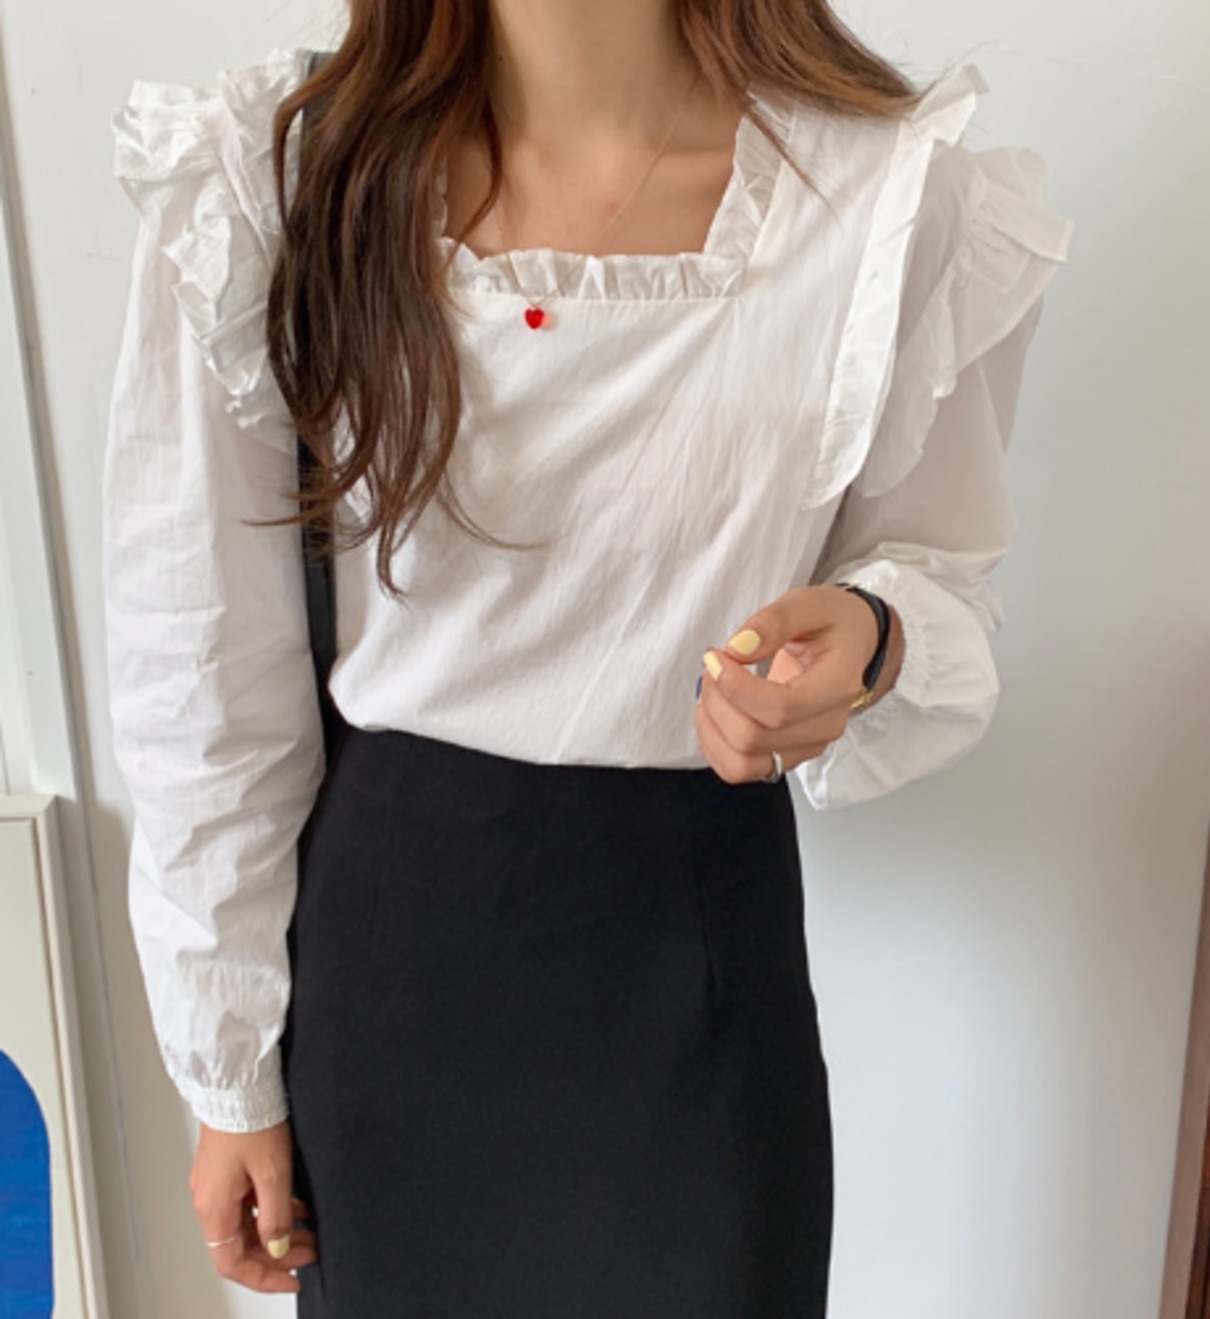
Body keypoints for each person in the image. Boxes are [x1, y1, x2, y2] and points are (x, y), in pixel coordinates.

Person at [103, 2, 1073, 1314]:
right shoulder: (276, 182)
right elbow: (202, 665)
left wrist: (872, 636)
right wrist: (227, 1076)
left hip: (698, 961)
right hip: (386, 969)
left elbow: (936, 569)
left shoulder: (886, 204)